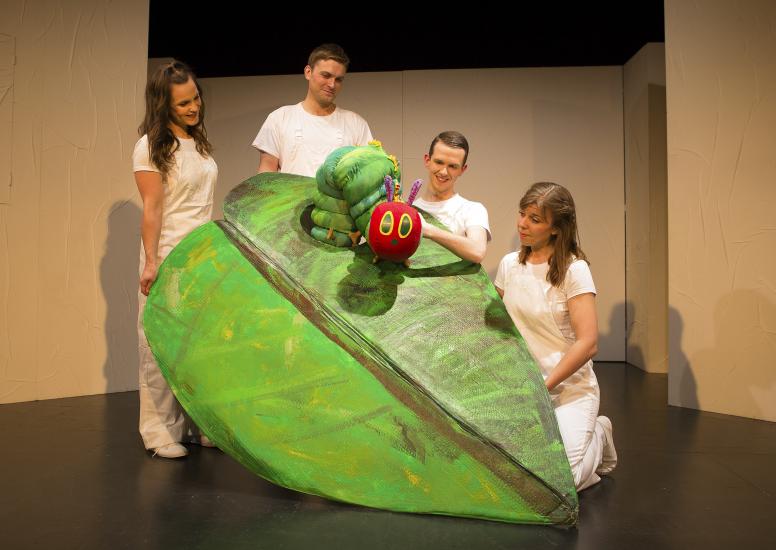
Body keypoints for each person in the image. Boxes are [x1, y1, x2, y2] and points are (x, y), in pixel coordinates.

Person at [494, 182, 617, 490]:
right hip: (523, 389)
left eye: (535, 219)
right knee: (513, 476)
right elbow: (495, 323)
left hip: (569, 391)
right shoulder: (510, 264)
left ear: (556, 229)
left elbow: (588, 343)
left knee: (563, 482)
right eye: (522, 214)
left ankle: (600, 435)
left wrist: (543, 386)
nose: (522, 224)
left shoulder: (574, 270)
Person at [132, 60, 218, 458]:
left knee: (195, 346)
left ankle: (194, 424)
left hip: (201, 254)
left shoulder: (198, 142)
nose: (193, 107)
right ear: (164, 105)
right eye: (183, 103)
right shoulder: (150, 146)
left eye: (195, 98)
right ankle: (158, 430)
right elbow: (152, 209)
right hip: (168, 254)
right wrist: (151, 262)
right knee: (159, 345)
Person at [252, 43, 373, 177]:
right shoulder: (280, 118)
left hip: (340, 199)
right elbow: (266, 173)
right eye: (326, 75)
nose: (332, 84)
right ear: (308, 72)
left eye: (338, 79)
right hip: (292, 198)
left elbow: (367, 174)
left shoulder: (355, 123)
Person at [412, 131, 490, 263]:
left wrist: (427, 230)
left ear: (462, 170)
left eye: (452, 166)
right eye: (439, 162)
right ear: (427, 160)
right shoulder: (409, 211)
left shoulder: (472, 210)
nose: (443, 172)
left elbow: (477, 251)